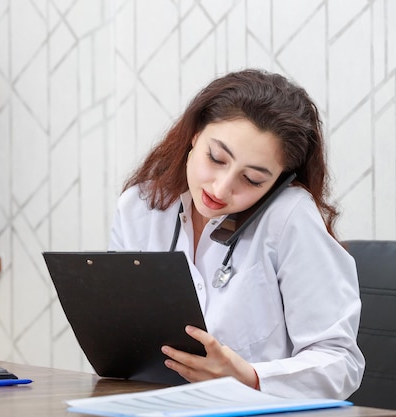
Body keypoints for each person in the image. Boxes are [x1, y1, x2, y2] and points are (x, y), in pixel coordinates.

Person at [109, 69, 365, 399]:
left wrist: (250, 377)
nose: (222, 187)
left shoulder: (289, 216)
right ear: (195, 134)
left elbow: (340, 363)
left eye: (253, 180)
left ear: (279, 181)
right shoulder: (141, 207)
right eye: (216, 158)